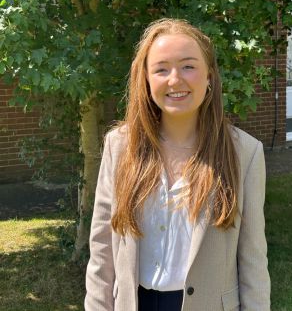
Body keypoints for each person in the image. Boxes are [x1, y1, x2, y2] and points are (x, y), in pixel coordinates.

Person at [85, 18, 270, 311]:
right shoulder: (119, 147)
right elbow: (102, 252)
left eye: (188, 66)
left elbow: (253, 260)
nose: (175, 80)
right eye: (161, 69)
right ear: (146, 79)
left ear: (209, 76)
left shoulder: (244, 153)